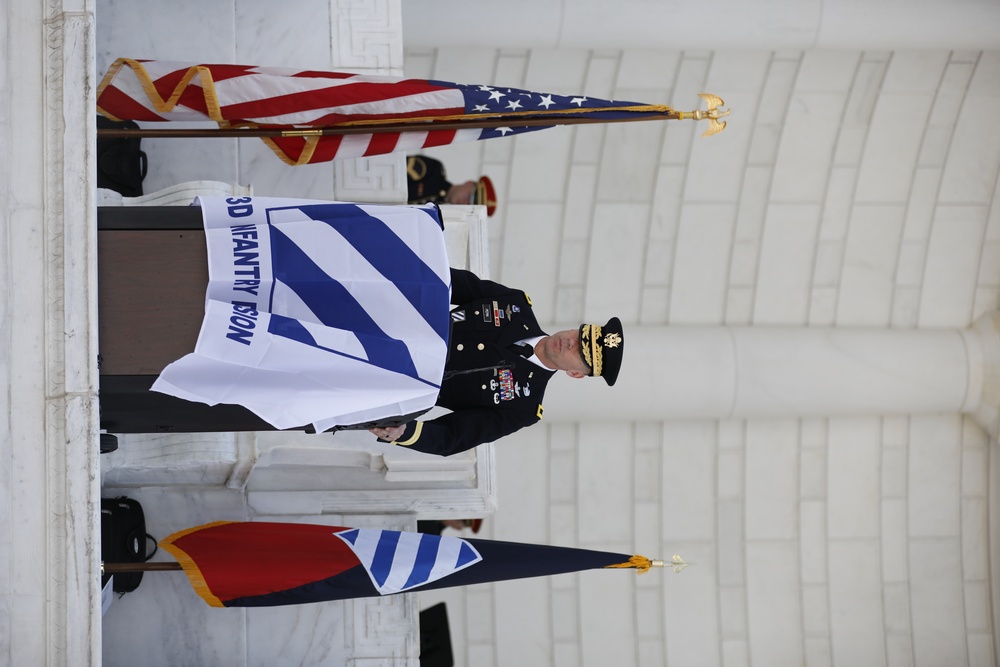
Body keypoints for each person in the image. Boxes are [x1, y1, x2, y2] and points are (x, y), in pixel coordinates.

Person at [370, 268, 624, 456]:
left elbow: (453, 436)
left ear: (575, 374)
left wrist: (403, 432)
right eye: (579, 336)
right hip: (383, 323)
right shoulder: (516, 304)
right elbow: (446, 282)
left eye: (580, 353)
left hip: (386, 386)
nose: (571, 343)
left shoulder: (523, 407)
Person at [406, 155, 497, 216]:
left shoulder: (440, 217)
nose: (465, 202)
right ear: (469, 183)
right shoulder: (434, 170)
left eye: (470, 205)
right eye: (470, 196)